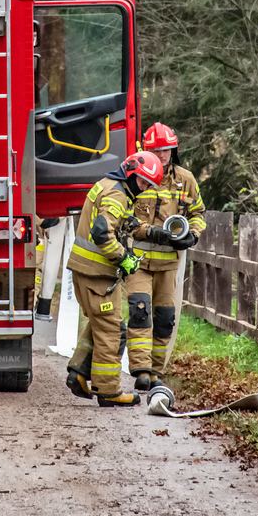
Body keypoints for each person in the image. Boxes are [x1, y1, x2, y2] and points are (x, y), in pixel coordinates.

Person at [64, 150, 165, 407]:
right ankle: (108, 391)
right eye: (142, 182)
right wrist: (123, 258)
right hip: (95, 274)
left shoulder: (109, 185)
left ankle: (79, 372)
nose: (143, 190)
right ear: (131, 173)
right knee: (112, 330)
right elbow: (101, 231)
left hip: (86, 271)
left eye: (148, 186)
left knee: (100, 324)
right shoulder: (118, 194)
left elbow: (123, 222)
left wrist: (154, 233)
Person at [125, 123, 206, 391]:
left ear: (174, 150)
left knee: (164, 318)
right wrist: (151, 233)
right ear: (146, 150)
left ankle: (156, 371)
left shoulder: (186, 180)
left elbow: (198, 213)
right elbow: (125, 218)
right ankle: (141, 371)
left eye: (166, 150)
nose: (161, 155)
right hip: (138, 262)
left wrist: (192, 235)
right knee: (140, 313)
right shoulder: (138, 177)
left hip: (169, 264)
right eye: (156, 150)